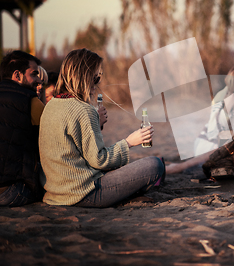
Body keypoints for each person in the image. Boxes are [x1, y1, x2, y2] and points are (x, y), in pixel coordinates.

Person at [39, 48, 165, 207]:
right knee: (154, 164)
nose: (97, 83)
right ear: (84, 77)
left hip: (55, 193)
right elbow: (99, 160)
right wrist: (129, 142)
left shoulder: (51, 106)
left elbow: (76, 150)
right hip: (84, 193)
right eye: (95, 77)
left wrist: (96, 125)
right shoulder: (84, 110)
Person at [166, 66, 234, 174]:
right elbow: (215, 134)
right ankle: (180, 167)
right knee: (230, 145)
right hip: (211, 142)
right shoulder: (223, 100)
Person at [0, 50, 45, 206]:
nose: (39, 80)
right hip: (8, 192)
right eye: (34, 74)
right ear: (17, 75)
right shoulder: (30, 101)